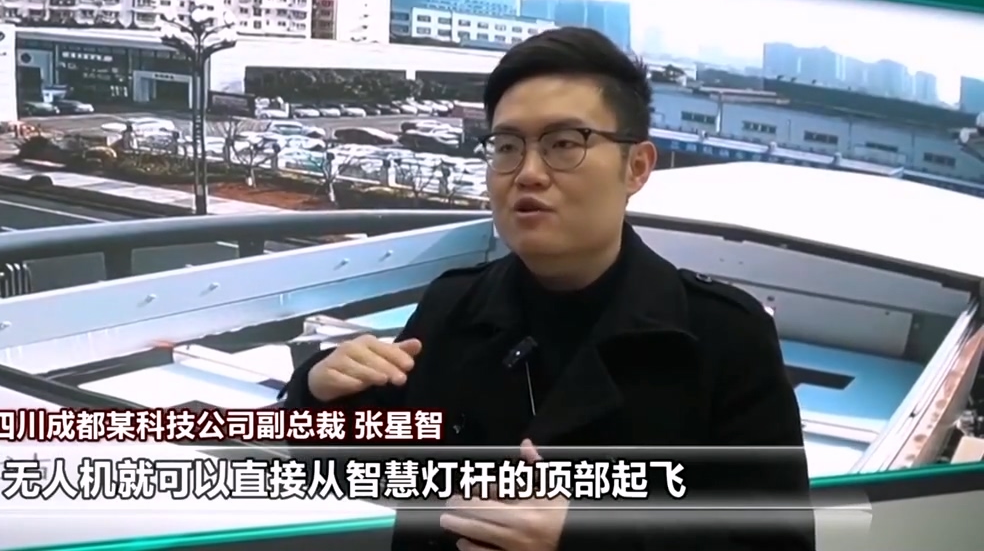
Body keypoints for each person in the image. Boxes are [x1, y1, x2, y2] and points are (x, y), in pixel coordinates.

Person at [280, 28, 815, 551]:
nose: (528, 173)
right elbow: (359, 466)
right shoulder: (453, 305)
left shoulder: (722, 337)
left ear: (636, 167)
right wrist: (318, 391)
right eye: (507, 146)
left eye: (564, 144)